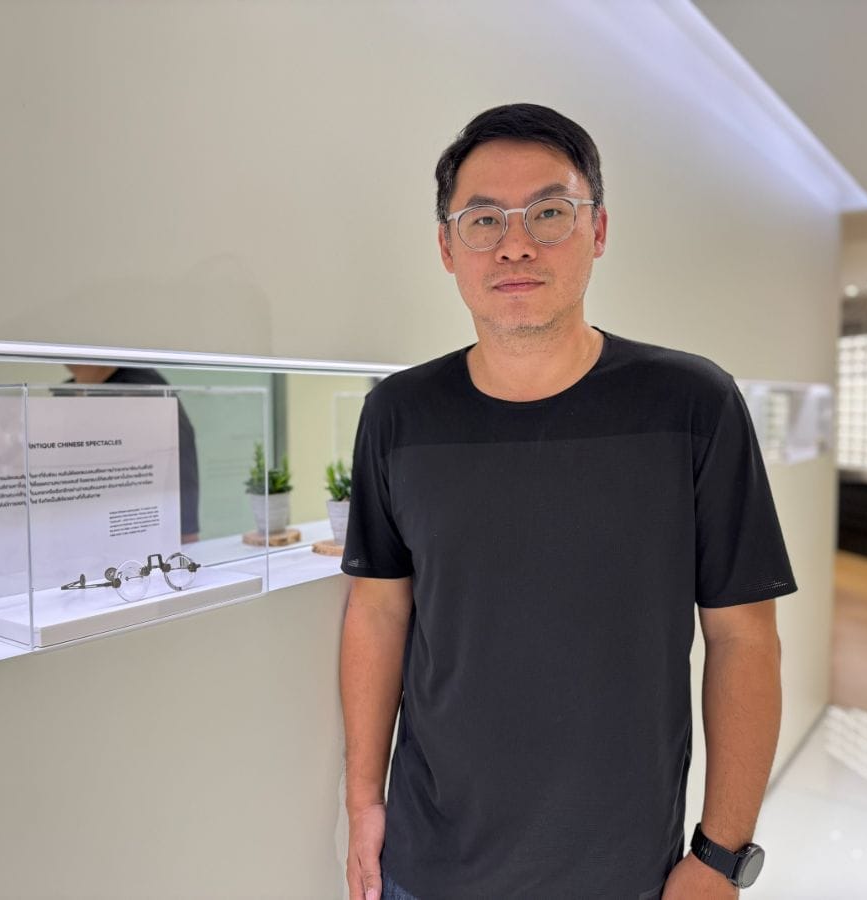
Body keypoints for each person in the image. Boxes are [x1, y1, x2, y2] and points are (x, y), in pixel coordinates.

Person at [339, 104, 797, 899]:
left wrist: (721, 856)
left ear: (599, 230)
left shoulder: (690, 404)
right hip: (429, 865)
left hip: (624, 872)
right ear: (447, 247)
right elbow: (379, 611)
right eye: (483, 219)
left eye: (549, 213)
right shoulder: (399, 415)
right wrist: (362, 802)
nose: (515, 244)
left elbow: (743, 637)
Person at [65, 365, 200, 542]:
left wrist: (184, 531)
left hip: (136, 533)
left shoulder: (140, 386)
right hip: (82, 529)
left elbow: (178, 458)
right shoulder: (66, 391)